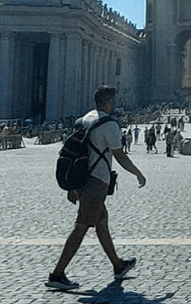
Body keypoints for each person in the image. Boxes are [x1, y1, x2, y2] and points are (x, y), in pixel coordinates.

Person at [46, 86, 146, 290]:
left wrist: (72, 186)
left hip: (82, 179)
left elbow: (74, 151)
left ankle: (118, 265)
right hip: (96, 181)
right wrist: (137, 173)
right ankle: (57, 274)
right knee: (82, 225)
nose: (114, 104)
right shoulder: (109, 124)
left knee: (101, 222)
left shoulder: (84, 120)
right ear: (108, 102)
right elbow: (119, 155)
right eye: (113, 101)